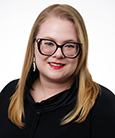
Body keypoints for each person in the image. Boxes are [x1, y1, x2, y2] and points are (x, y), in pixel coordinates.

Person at [0, 4, 115, 138]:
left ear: (81, 52)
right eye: (48, 43)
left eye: (69, 45)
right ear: (33, 46)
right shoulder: (10, 93)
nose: (58, 54)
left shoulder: (103, 105)